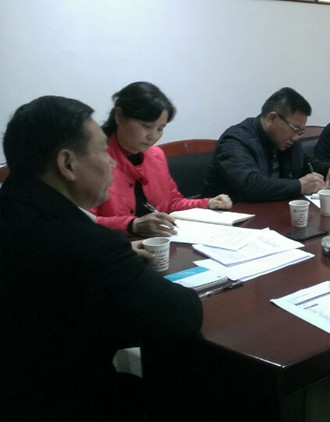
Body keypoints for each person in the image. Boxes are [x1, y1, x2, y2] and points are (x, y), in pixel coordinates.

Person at [0, 96, 202, 421]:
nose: (112, 163)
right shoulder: (89, 246)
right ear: (67, 164)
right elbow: (181, 315)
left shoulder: (13, 208)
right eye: (102, 151)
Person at [92, 81, 232, 238]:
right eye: (146, 126)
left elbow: (172, 203)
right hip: (114, 246)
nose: (153, 136)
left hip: (160, 243)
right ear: (119, 116)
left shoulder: (156, 156)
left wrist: (208, 203)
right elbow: (82, 222)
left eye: (160, 128)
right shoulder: (91, 160)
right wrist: (131, 225)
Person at [203, 87, 330, 202]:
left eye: (300, 132)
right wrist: (299, 186)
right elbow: (250, 185)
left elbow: (306, 163)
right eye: (295, 129)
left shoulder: (287, 140)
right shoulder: (235, 140)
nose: (296, 137)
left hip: (271, 213)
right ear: (272, 118)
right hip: (229, 218)